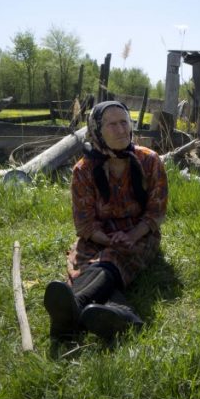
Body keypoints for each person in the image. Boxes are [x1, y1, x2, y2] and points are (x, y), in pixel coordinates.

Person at [44, 100, 168, 341]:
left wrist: (130, 236)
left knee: (108, 258)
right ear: (97, 131)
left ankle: (75, 307)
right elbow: (84, 224)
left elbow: (156, 213)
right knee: (93, 261)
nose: (121, 130)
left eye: (124, 122)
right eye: (112, 125)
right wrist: (108, 239)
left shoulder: (150, 161)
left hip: (140, 235)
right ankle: (124, 316)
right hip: (97, 237)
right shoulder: (84, 170)